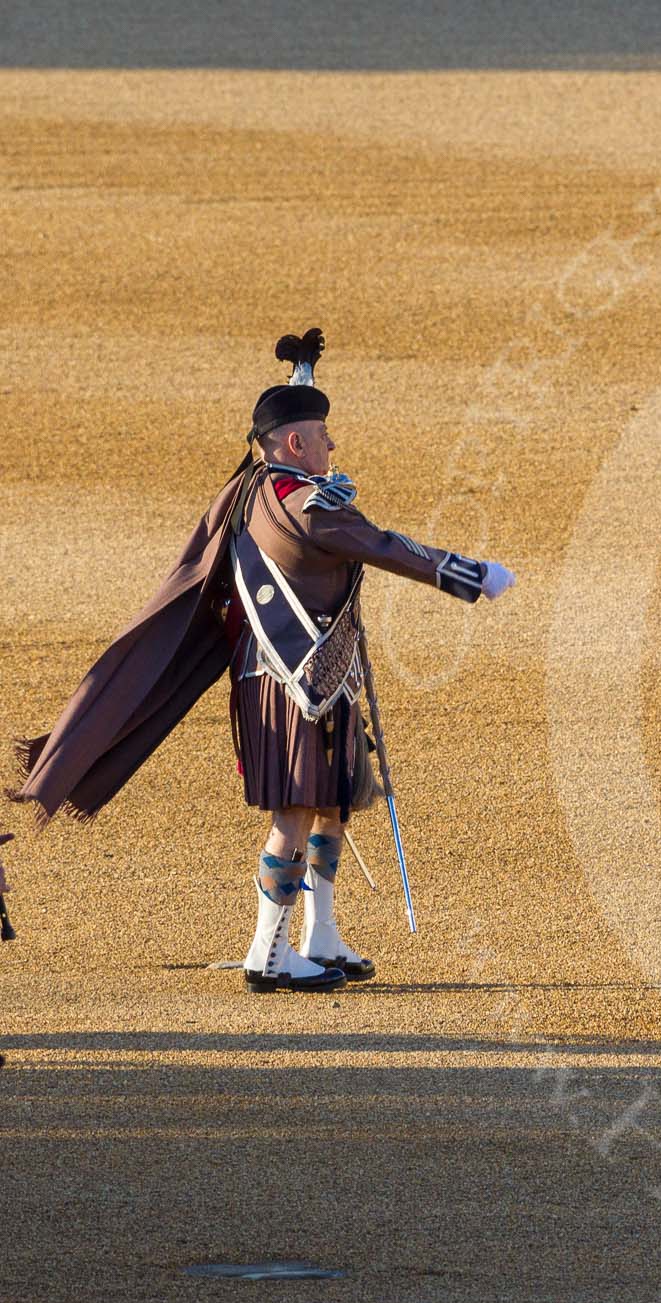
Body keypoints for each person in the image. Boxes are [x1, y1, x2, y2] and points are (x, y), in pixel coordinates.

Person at [10, 330, 514, 992]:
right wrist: (469, 574)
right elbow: (378, 543)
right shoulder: (303, 500)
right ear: (296, 444)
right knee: (296, 813)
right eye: (322, 434)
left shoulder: (260, 484)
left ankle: (320, 934)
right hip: (291, 678)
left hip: (318, 674)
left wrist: (300, 376)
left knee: (332, 804)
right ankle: (266, 953)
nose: (333, 446)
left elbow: (290, 450)